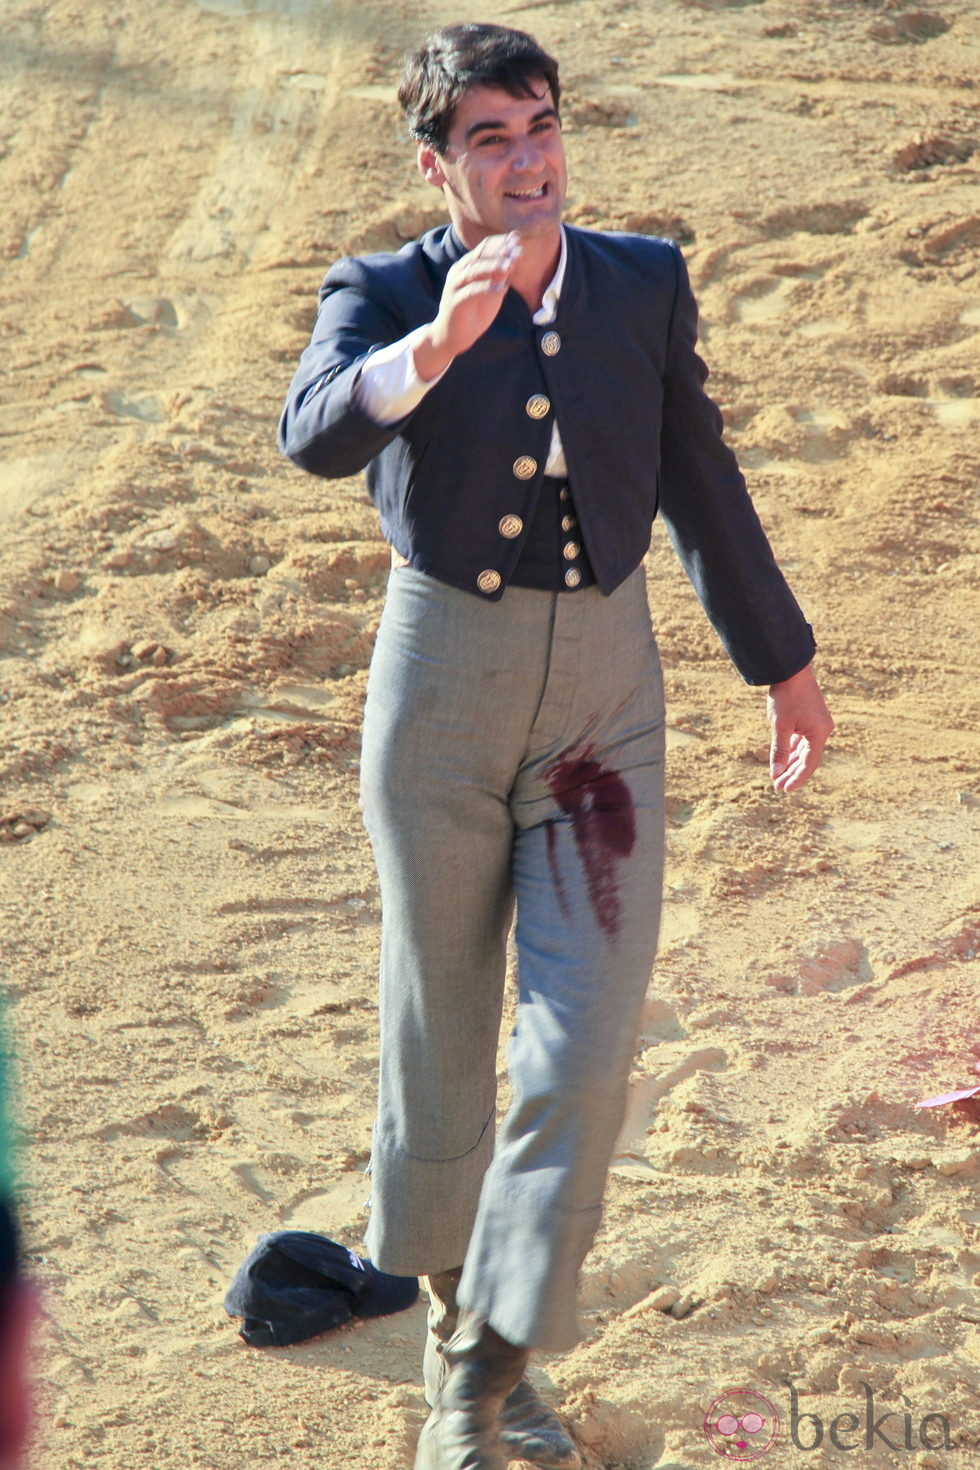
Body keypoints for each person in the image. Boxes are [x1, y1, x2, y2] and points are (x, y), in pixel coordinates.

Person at [278, 22, 833, 1470]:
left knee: (582, 1046)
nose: (526, 164)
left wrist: (784, 663)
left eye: (540, 131)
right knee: (445, 1035)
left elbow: (701, 474)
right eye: (489, 142)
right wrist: (433, 346)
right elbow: (314, 432)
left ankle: (483, 1369)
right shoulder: (383, 288)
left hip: (604, 711)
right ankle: (478, 1371)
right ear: (436, 163)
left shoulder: (641, 281)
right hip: (438, 702)